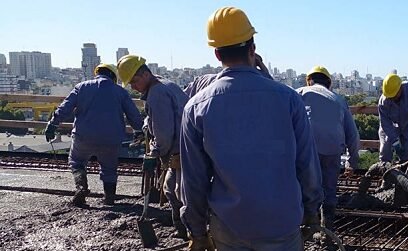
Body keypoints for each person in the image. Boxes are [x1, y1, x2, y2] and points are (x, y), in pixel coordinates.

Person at [180, 6, 330, 251]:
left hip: (229, 226)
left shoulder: (197, 106)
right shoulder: (287, 98)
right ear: (252, 46)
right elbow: (307, 164)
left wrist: (196, 231)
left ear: (216, 54)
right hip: (281, 220)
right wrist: (312, 210)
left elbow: (193, 180)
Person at [45, 63, 143, 206]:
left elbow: (65, 107)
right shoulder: (120, 91)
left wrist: (52, 124)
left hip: (83, 136)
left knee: (77, 161)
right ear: (113, 76)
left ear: (97, 73)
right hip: (111, 138)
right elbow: (133, 114)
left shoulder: (81, 87)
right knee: (109, 169)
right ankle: (109, 199)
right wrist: (139, 131)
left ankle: (81, 187)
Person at [117, 55, 189, 239]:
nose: (133, 87)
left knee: (177, 193)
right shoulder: (166, 85)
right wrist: (146, 126)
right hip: (187, 147)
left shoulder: (157, 94)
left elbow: (164, 133)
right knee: (171, 189)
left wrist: (154, 153)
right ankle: (184, 230)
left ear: (146, 74)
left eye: (135, 81)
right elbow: (156, 119)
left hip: (181, 151)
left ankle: (190, 233)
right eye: (130, 83)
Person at [296, 66, 360, 229]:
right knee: (329, 191)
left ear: (309, 81)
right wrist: (352, 162)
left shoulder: (299, 93)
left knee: (305, 188)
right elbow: (353, 134)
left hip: (308, 149)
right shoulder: (339, 99)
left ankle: (306, 228)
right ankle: (327, 231)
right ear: (329, 83)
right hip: (333, 149)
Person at [184, 52, 273, 98]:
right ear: (251, 51)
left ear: (218, 55)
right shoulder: (275, 93)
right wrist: (266, 76)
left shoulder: (204, 83)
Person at [378, 73, 408, 164]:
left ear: (400, 88)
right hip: (390, 126)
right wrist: (395, 141)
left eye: (395, 95)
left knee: (407, 149)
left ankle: (405, 166)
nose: (393, 98)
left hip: (407, 123)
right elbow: (385, 123)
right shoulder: (383, 101)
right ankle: (384, 166)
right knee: (386, 146)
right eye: (390, 97)